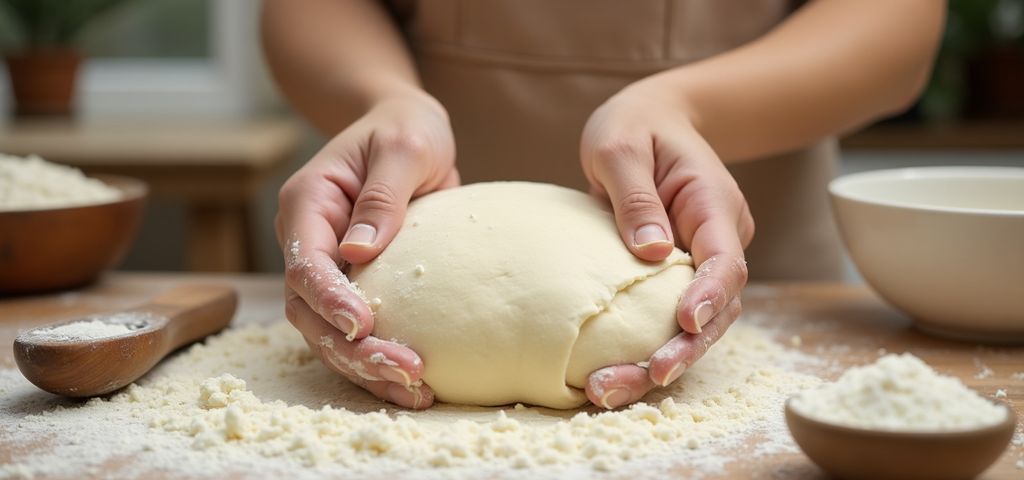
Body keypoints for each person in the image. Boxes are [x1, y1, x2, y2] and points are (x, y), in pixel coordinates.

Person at [261, 0, 945, 410]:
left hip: (707, 220)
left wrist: (685, 107)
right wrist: (383, 98)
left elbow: (898, 23)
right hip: (410, 210)